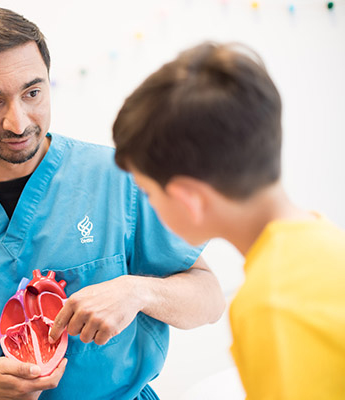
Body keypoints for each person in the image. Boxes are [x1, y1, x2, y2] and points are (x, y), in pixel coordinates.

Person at [0, 8, 225, 400]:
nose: (18, 123)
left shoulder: (115, 177)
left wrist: (138, 292)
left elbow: (209, 299)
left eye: (32, 93)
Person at [112, 42, 345, 399]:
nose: (149, 205)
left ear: (189, 199)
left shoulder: (269, 304)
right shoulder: (325, 238)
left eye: (147, 192)